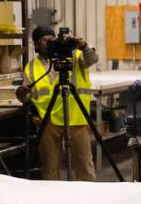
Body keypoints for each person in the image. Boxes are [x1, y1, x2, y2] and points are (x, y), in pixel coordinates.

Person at [17, 26, 99, 181]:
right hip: (47, 122)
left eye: (52, 39)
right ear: (36, 45)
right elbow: (27, 95)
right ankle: (54, 200)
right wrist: (22, 94)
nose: (49, 43)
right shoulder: (31, 67)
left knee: (84, 166)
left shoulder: (74, 57)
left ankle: (89, 197)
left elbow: (93, 59)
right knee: (50, 168)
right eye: (44, 40)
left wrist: (83, 46)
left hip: (76, 118)